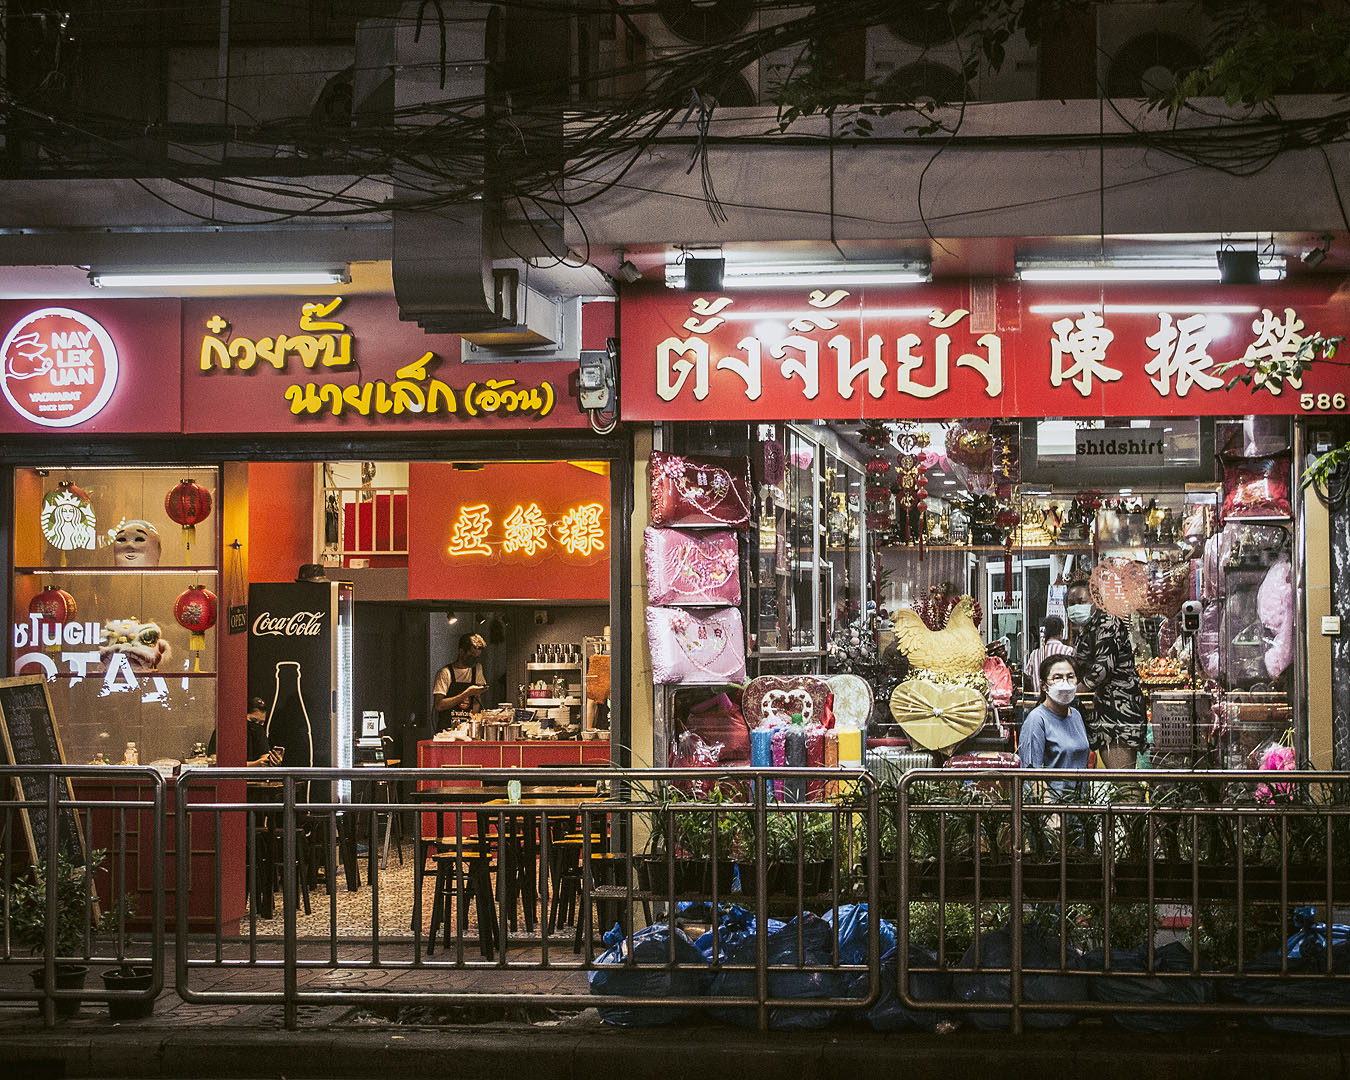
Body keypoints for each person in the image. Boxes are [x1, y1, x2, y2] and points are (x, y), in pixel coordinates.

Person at [1066, 579, 1148, 769]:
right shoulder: (1087, 627)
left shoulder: (1107, 623)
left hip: (1119, 709)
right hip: (1103, 707)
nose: (1076, 607)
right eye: (1071, 604)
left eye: (1081, 601)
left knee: (1122, 780)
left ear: (1095, 601)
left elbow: (1102, 669)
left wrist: (1070, 691)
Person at [1019, 655, 1090, 800]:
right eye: (1057, 677)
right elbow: (1032, 774)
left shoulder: (1076, 715)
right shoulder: (1037, 720)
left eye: (1070, 677)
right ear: (1044, 685)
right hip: (1053, 809)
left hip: (1078, 809)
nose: (1065, 682)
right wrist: (1050, 814)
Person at [433, 632, 488, 733]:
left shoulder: (477, 670)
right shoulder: (445, 673)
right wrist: (466, 693)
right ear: (461, 652)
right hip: (446, 732)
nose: (474, 660)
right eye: (471, 655)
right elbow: (439, 705)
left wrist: (472, 724)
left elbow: (477, 701)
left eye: (477, 657)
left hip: (467, 731)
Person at [208, 696, 283, 767]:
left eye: (261, 723)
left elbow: (264, 757)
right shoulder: (225, 730)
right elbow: (214, 761)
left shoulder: (259, 731)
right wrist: (253, 765)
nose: (256, 725)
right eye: (253, 720)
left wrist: (273, 761)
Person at [1023, 615, 1073, 696]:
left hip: (1038, 701)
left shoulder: (1035, 654)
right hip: (1061, 701)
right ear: (1061, 632)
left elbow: (1028, 677)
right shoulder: (1068, 651)